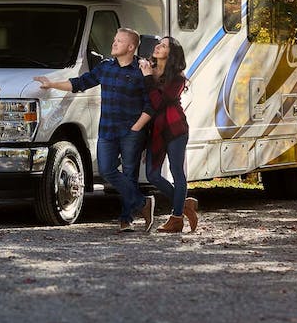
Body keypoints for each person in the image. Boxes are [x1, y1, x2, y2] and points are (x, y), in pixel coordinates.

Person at [35, 27, 155, 233]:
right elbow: (80, 83)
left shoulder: (141, 71)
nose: (114, 43)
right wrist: (52, 83)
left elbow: (151, 103)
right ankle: (143, 203)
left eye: (119, 41)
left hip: (132, 132)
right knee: (107, 171)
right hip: (107, 130)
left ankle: (126, 219)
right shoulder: (106, 67)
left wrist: (137, 128)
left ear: (131, 47)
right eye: (115, 39)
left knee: (129, 174)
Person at [134, 36, 198, 233]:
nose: (158, 46)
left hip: (175, 129)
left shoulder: (177, 77)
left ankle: (176, 218)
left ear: (171, 53)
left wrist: (147, 78)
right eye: (158, 44)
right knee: (152, 175)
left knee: (177, 172)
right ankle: (184, 203)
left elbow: (159, 102)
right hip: (156, 131)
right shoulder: (148, 70)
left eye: (163, 45)